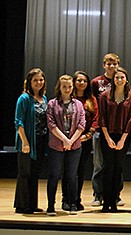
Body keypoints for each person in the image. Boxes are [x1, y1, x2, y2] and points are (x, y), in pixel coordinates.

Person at [45, 75, 86, 216]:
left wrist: (71, 141)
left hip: (75, 146)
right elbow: (51, 124)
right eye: (64, 86)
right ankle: (51, 206)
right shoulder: (52, 104)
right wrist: (64, 140)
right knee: (54, 175)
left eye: (69, 86)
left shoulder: (78, 104)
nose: (67, 89)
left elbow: (82, 125)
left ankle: (73, 204)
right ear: (59, 87)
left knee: (72, 175)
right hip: (56, 145)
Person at [98, 67, 131, 213]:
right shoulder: (105, 96)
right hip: (107, 136)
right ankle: (105, 202)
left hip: (123, 137)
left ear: (126, 79)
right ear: (113, 80)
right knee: (108, 168)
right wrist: (107, 138)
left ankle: (114, 201)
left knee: (117, 169)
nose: (119, 80)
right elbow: (102, 118)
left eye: (122, 77)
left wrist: (123, 139)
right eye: (117, 78)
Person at [14, 68, 48, 214]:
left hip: (40, 141)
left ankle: (32, 204)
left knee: (35, 173)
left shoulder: (44, 98)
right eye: (35, 80)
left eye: (41, 80)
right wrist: (25, 142)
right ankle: (22, 205)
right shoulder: (24, 98)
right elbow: (18, 122)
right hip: (27, 141)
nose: (38, 83)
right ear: (29, 82)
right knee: (25, 173)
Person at [90, 53, 120, 207]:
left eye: (114, 63)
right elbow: (93, 104)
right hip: (100, 128)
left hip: (117, 129)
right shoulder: (96, 82)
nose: (111, 66)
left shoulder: (121, 80)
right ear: (104, 65)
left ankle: (116, 195)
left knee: (116, 164)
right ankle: (97, 194)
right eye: (108, 63)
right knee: (99, 163)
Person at [67, 71, 98, 212]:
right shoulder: (68, 98)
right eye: (79, 80)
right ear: (74, 82)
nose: (82, 83)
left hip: (84, 140)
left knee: (80, 170)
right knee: (68, 170)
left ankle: (76, 199)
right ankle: (66, 199)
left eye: (84, 81)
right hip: (67, 140)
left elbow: (96, 119)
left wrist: (88, 135)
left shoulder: (91, 99)